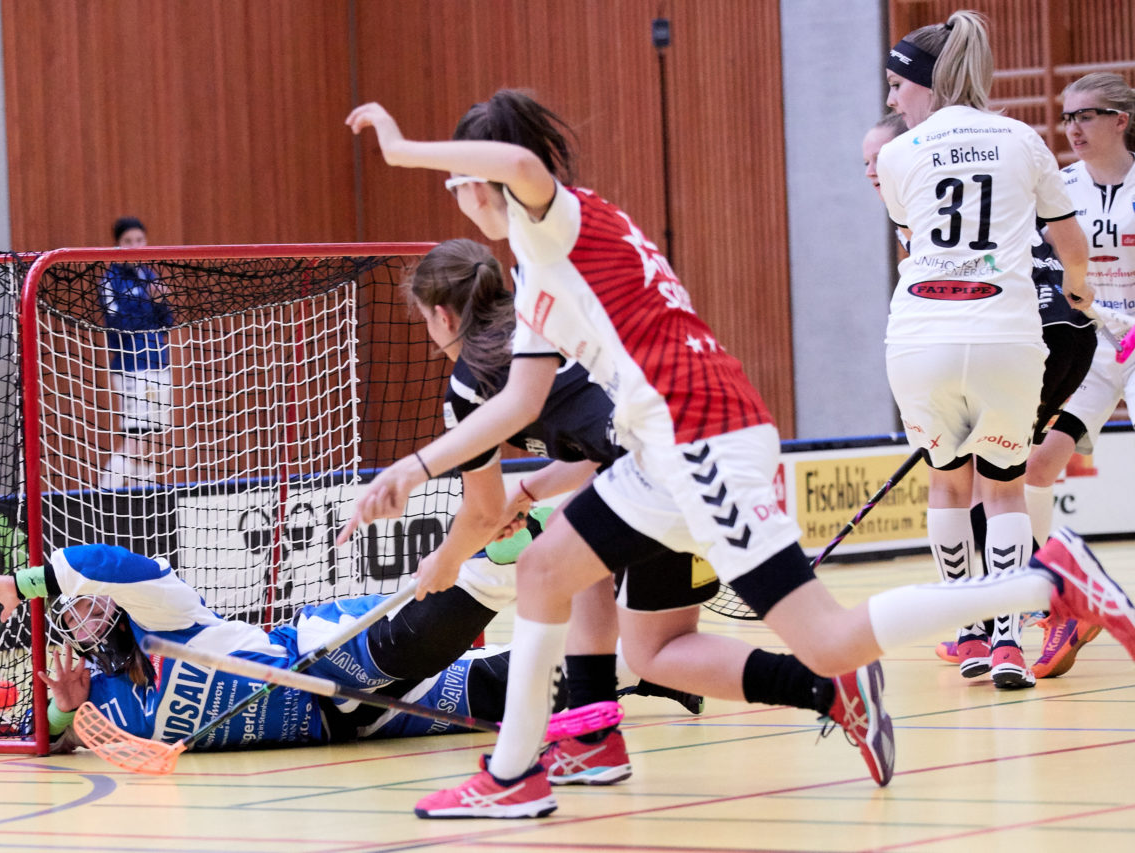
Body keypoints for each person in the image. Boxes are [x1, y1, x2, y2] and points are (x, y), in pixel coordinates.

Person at [342, 80, 1135, 819]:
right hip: (657, 449)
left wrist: (401, 149)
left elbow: (518, 163)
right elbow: (517, 400)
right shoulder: (539, 259)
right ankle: (517, 776)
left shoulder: (560, 216)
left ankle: (1045, 583)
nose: (462, 193)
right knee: (547, 567)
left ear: (481, 178)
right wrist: (415, 470)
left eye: (457, 181)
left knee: (828, 639)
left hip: (702, 437)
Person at [405, 238, 893, 787]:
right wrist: (529, 494)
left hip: (660, 474)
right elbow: (598, 441)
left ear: (443, 315)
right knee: (654, 646)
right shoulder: (543, 312)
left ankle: (534, 763)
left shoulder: (472, 380)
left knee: (550, 565)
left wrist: (445, 563)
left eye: (425, 320)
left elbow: (481, 511)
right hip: (696, 444)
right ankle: (825, 690)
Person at [877, 10, 1095, 689]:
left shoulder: (895, 153)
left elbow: (918, 239)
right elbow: (1068, 244)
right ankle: (1006, 641)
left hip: (920, 335)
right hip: (1004, 334)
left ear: (927, 84)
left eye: (895, 85)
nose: (890, 101)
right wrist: (1082, 295)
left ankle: (966, 630)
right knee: (1003, 492)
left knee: (948, 482)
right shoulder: (1022, 138)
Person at [0, 543, 532, 751]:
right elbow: (46, 741)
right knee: (532, 690)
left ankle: (507, 549)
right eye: (70, 615)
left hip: (317, 656)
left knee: (403, 646)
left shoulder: (166, 616)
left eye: (89, 601)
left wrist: (19, 585)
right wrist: (65, 708)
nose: (84, 617)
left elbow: (98, 562)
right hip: (357, 728)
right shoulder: (99, 703)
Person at [1020, 71, 1135, 676]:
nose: (1072, 128)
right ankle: (1062, 595)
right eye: (1067, 118)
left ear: (1120, 119)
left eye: (1086, 115)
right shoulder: (1059, 188)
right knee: (1037, 466)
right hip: (1092, 342)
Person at [99, 217, 174, 490]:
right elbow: (117, 324)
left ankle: (136, 491)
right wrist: (147, 304)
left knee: (149, 435)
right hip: (131, 366)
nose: (135, 246)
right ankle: (107, 490)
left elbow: (167, 322)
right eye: (128, 241)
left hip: (158, 363)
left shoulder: (149, 276)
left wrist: (160, 301)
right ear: (117, 245)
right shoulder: (110, 281)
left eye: (140, 240)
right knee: (134, 433)